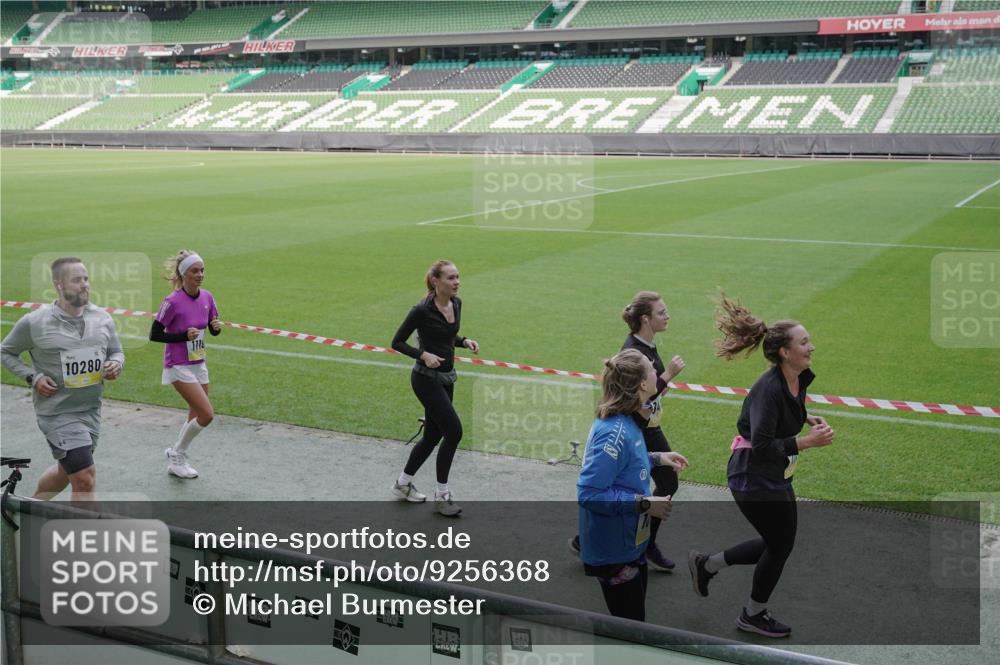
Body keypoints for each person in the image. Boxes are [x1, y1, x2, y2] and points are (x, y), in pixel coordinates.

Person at [688, 293, 834, 638]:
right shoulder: (767, 389)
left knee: (779, 542)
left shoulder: (796, 377)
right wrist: (806, 442)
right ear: (785, 352)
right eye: (804, 342)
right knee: (779, 545)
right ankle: (751, 614)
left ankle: (707, 565)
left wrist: (805, 417)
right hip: (752, 476)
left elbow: (780, 419)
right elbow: (763, 444)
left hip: (775, 472)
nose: (811, 347)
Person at [571, 292, 688, 571]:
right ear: (645, 319)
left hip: (648, 423)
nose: (667, 316)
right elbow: (589, 492)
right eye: (662, 312)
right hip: (639, 425)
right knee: (646, 482)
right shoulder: (632, 352)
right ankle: (639, 542)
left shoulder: (649, 344)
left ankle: (635, 541)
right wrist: (668, 375)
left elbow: (649, 392)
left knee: (661, 479)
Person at [577, 349, 689, 621]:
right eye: (652, 369)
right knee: (632, 630)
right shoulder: (613, 433)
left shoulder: (627, 421)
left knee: (636, 624)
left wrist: (658, 458)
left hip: (629, 544)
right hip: (613, 553)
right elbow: (589, 494)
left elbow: (626, 464)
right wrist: (645, 503)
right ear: (641, 384)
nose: (657, 371)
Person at [1, 257, 124, 501]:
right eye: (77, 280)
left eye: (86, 279)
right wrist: (33, 377)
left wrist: (116, 364)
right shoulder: (35, 322)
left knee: (66, 471)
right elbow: (6, 351)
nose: (84, 285)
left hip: (91, 410)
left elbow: (116, 351)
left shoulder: (102, 318)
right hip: (57, 413)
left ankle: (30, 509)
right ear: (58, 284)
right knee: (84, 477)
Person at [390, 260, 479, 517]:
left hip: (446, 378)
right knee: (454, 431)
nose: (457, 282)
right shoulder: (420, 310)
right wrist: (422, 355)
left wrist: (464, 341)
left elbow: (448, 336)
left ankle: (403, 484)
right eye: (451, 278)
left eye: (458, 277)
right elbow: (397, 342)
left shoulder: (457, 303)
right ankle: (442, 496)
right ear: (436, 281)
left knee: (432, 436)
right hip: (425, 379)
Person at [149, 250, 221, 479]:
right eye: (195, 271)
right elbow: (154, 335)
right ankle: (177, 455)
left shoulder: (208, 297)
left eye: (202, 270)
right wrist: (182, 336)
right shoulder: (172, 302)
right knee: (207, 415)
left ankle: (176, 453)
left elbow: (210, 327)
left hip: (199, 362)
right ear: (183, 274)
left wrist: (215, 329)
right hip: (178, 365)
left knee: (195, 413)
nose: (200, 274)